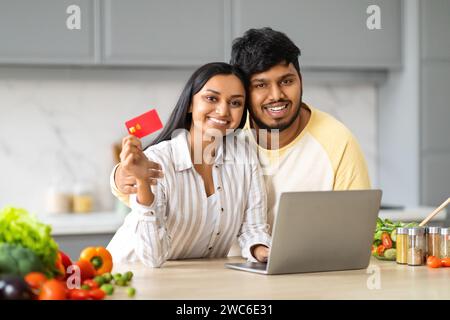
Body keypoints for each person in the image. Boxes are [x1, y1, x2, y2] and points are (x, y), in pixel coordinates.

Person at [111, 27, 370, 250]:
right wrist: (119, 178)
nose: (276, 95)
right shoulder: (227, 129)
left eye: (287, 81)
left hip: (303, 275)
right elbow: (156, 189)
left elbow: (357, 230)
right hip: (223, 274)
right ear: (243, 91)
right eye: (260, 85)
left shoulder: (336, 140)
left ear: (300, 80)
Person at [107, 62, 271, 267]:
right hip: (128, 272)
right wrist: (143, 183)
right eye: (212, 98)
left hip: (189, 279)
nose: (223, 111)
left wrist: (262, 251)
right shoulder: (158, 159)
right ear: (190, 104)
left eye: (235, 103)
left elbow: (253, 228)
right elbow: (152, 258)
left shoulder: (245, 157)